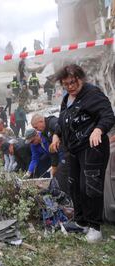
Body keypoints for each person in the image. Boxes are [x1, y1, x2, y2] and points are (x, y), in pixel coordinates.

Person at [50, 64, 115, 243]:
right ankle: (82, 222)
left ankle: (95, 229)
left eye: (73, 82)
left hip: (92, 148)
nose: (70, 86)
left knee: (90, 186)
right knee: (75, 186)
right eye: (66, 84)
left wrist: (99, 130)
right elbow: (63, 119)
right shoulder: (67, 98)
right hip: (74, 149)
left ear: (81, 78)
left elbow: (108, 115)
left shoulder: (92, 93)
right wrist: (57, 134)